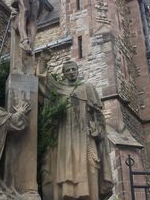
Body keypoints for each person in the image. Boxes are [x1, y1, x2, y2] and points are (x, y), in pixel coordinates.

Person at [37, 49, 113, 200]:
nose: (71, 72)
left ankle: (91, 196)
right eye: (68, 70)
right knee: (66, 167)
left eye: (73, 69)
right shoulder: (58, 89)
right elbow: (42, 80)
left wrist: (98, 129)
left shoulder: (88, 88)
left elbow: (98, 114)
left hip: (85, 134)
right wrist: (43, 61)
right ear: (64, 73)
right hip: (64, 135)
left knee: (91, 165)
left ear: (78, 71)